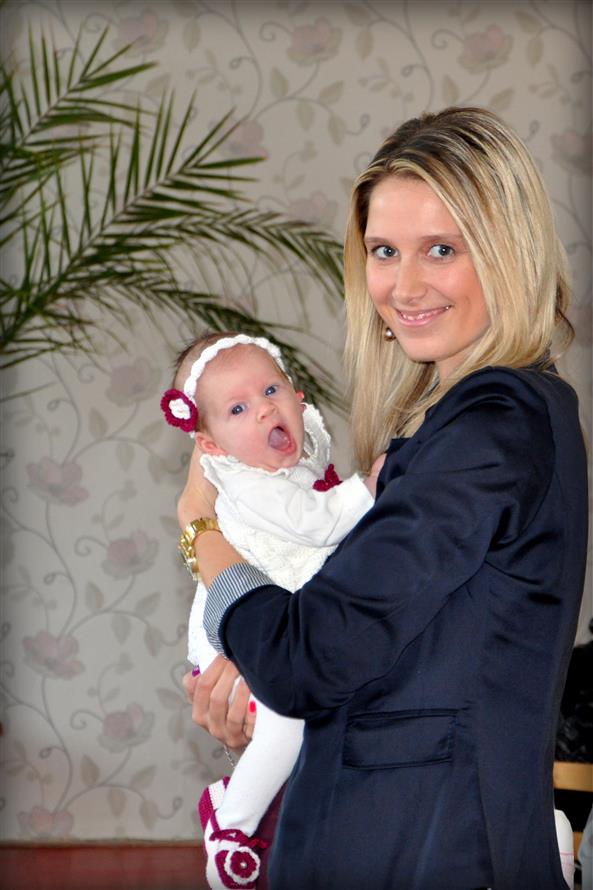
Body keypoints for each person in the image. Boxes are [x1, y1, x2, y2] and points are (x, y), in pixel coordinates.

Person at [178, 107, 589, 889]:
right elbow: (363, 667)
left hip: (440, 855)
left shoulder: (493, 425)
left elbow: (306, 657)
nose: (404, 287)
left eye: (441, 249)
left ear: (507, 254)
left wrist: (202, 532)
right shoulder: (453, 426)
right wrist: (260, 699)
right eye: (383, 251)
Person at [161, 332, 381, 889]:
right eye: (237, 409)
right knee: (285, 724)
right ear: (209, 446)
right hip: (233, 635)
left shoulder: (287, 459)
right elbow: (320, 521)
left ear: (296, 394)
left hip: (272, 623)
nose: (262, 409)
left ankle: (255, 814)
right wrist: (370, 486)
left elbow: (312, 447)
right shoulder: (248, 481)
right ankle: (231, 826)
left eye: (271, 390)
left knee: (300, 733)